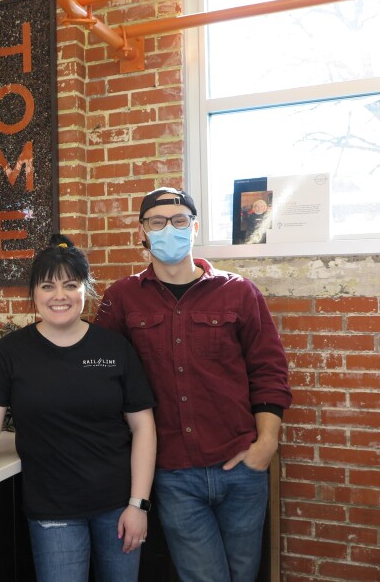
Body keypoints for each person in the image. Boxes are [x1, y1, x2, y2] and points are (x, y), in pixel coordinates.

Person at [94, 188, 292, 582]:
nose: (169, 228)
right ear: (143, 232)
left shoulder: (238, 291)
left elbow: (269, 369)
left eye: (180, 220)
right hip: (173, 473)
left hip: (241, 465)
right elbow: (100, 373)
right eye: (158, 221)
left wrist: (265, 445)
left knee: (242, 574)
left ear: (195, 226)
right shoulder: (122, 298)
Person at [0, 234, 157, 582]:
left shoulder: (115, 347)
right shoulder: (11, 352)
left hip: (118, 504)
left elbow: (143, 427)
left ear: (84, 290)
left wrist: (139, 504)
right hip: (52, 507)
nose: (59, 296)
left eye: (70, 285)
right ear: (34, 293)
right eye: (47, 286)